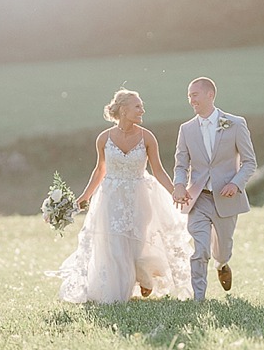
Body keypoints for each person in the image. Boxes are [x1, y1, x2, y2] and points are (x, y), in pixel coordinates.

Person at [48, 89, 192, 303]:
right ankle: (118, 293)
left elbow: (158, 170)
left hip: (140, 197)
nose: (142, 109)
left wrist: (175, 192)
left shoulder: (147, 137)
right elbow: (100, 170)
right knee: (114, 245)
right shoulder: (104, 138)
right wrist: (83, 198)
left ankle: (144, 275)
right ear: (123, 110)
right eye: (137, 106)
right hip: (110, 197)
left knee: (137, 243)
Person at [172, 77, 257, 301]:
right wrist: (179, 185)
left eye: (195, 95)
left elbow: (250, 162)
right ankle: (198, 298)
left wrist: (235, 183)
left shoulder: (235, 124)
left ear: (210, 95)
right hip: (198, 199)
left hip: (226, 198)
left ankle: (222, 265)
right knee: (199, 250)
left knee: (223, 249)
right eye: (189, 95)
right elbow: (181, 164)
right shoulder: (186, 129)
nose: (191, 100)